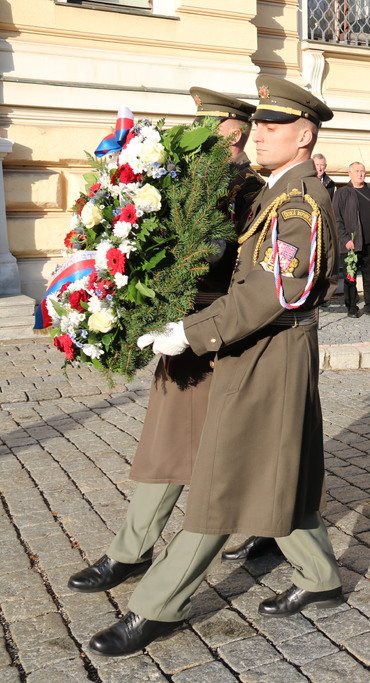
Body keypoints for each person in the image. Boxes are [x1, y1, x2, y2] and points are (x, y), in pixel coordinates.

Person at [88, 75, 342, 657]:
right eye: (258, 127)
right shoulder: (280, 193)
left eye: (273, 128)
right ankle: (322, 578)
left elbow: (270, 296)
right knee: (270, 470)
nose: (259, 136)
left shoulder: (299, 203)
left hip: (272, 353)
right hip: (258, 348)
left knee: (226, 478)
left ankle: (155, 606)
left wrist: (191, 331)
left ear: (304, 136)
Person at [66, 88, 271, 595]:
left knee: (244, 444)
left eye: (208, 130)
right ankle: (131, 550)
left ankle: (273, 526)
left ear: (234, 135)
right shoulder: (190, 181)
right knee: (169, 445)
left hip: (222, 334)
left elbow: (247, 275)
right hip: (179, 333)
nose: (195, 137)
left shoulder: (251, 192)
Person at [334, 161, 370, 318]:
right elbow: (336, 219)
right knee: (350, 277)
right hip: (352, 243)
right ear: (349, 174)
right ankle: (351, 308)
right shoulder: (342, 193)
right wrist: (344, 239)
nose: (360, 174)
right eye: (356, 171)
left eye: (362, 171)